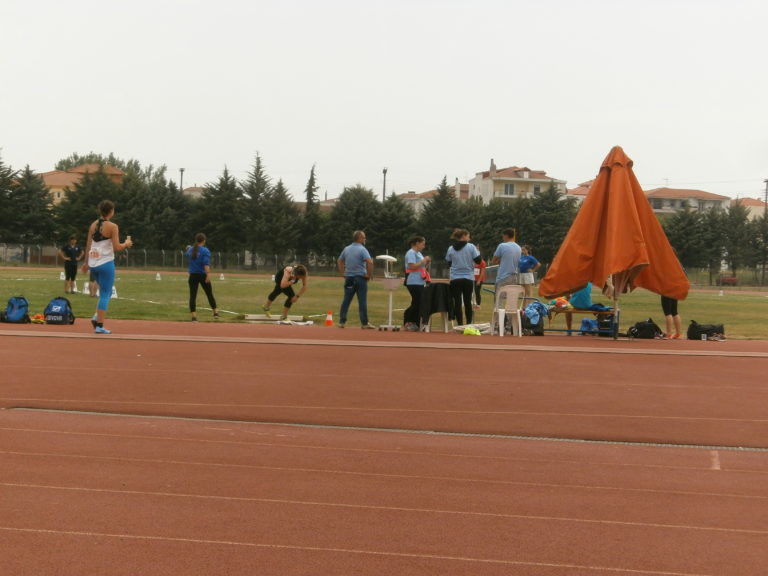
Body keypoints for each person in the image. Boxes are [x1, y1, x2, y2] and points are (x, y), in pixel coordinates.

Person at [81, 200, 133, 334]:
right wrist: (126, 244)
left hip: (94, 263)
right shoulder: (113, 226)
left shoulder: (93, 225)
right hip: (106, 263)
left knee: (107, 292)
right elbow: (117, 247)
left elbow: (88, 244)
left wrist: (86, 263)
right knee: (105, 294)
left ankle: (96, 317)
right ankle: (99, 325)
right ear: (111, 211)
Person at [337, 230, 376, 329]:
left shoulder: (346, 249)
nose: (365, 239)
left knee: (346, 299)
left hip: (349, 278)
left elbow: (340, 260)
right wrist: (368, 274)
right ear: (359, 238)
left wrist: (343, 273)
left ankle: (342, 321)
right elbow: (370, 262)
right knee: (362, 300)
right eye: (364, 237)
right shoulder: (362, 249)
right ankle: (364, 323)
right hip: (360, 278)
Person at [445, 228, 481, 326]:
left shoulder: (450, 248)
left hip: (455, 278)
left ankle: (460, 324)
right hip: (468, 277)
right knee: (467, 302)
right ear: (464, 236)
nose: (469, 238)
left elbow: (449, 263)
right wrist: (477, 252)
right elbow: (478, 261)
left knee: (457, 302)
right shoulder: (471, 247)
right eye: (468, 236)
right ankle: (468, 324)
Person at [185, 233, 219, 322]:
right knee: (209, 294)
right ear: (204, 241)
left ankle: (194, 317)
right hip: (202, 275)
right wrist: (208, 274)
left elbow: (187, 254)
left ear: (196, 240)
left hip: (193, 275)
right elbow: (206, 264)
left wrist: (189, 248)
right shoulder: (205, 250)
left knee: (192, 296)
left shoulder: (191, 250)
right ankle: (215, 312)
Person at [403, 235, 431, 331]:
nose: (424, 246)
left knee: (417, 302)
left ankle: (412, 320)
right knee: (417, 302)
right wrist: (424, 260)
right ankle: (409, 321)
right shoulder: (411, 253)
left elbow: (421, 267)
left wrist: (426, 263)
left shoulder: (418, 253)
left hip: (419, 280)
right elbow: (412, 266)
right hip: (413, 281)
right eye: (422, 244)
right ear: (417, 243)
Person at [490, 228, 522, 293]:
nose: (503, 238)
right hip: (514, 277)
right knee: (511, 300)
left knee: (499, 301)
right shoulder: (519, 247)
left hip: (503, 276)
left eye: (503, 236)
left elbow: (493, 262)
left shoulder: (502, 246)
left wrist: (499, 261)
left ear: (506, 235)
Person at [473, 244, 487, 310]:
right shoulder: (472, 261)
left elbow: (483, 272)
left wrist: (479, 280)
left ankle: (478, 305)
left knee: (477, 291)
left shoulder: (482, 262)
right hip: (472, 278)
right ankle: (472, 303)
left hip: (479, 279)